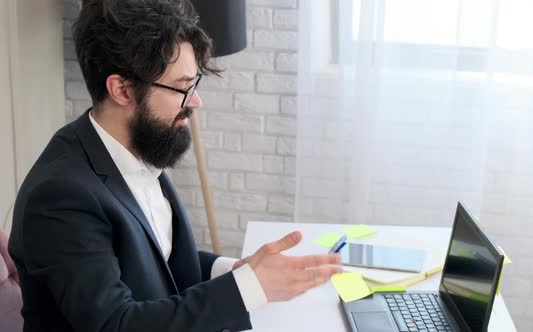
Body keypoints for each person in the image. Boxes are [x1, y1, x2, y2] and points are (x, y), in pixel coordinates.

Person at [8, 1, 342, 331]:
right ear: (122, 89)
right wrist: (248, 289)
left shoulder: (132, 144)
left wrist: (238, 270)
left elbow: (156, 260)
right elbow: (115, 324)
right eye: (182, 88)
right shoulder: (61, 196)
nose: (195, 101)